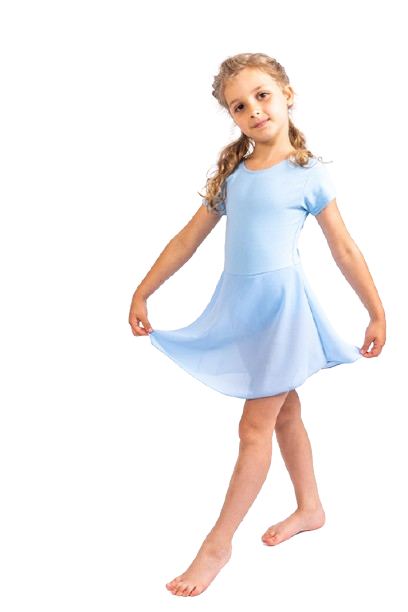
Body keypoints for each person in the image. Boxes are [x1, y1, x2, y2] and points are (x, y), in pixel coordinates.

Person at [128, 52, 386, 597]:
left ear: (286, 93)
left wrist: (376, 311)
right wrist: (144, 290)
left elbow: (343, 248)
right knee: (285, 414)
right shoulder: (234, 175)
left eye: (261, 95)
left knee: (253, 428)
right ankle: (310, 508)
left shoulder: (308, 174)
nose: (253, 111)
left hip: (281, 312)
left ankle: (217, 545)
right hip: (241, 308)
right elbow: (187, 238)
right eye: (239, 106)